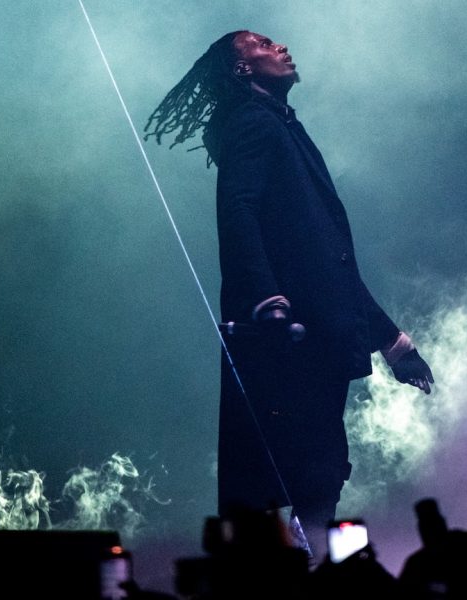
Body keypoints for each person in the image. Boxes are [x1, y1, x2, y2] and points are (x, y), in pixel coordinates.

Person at [144, 30, 434, 549]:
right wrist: (264, 296)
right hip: (290, 336)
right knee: (300, 473)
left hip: (312, 333)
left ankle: (301, 567)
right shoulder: (253, 125)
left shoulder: (278, 127)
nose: (280, 47)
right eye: (263, 45)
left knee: (316, 471)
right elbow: (238, 211)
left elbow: (327, 261)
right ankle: (292, 576)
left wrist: (392, 341)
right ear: (242, 71)